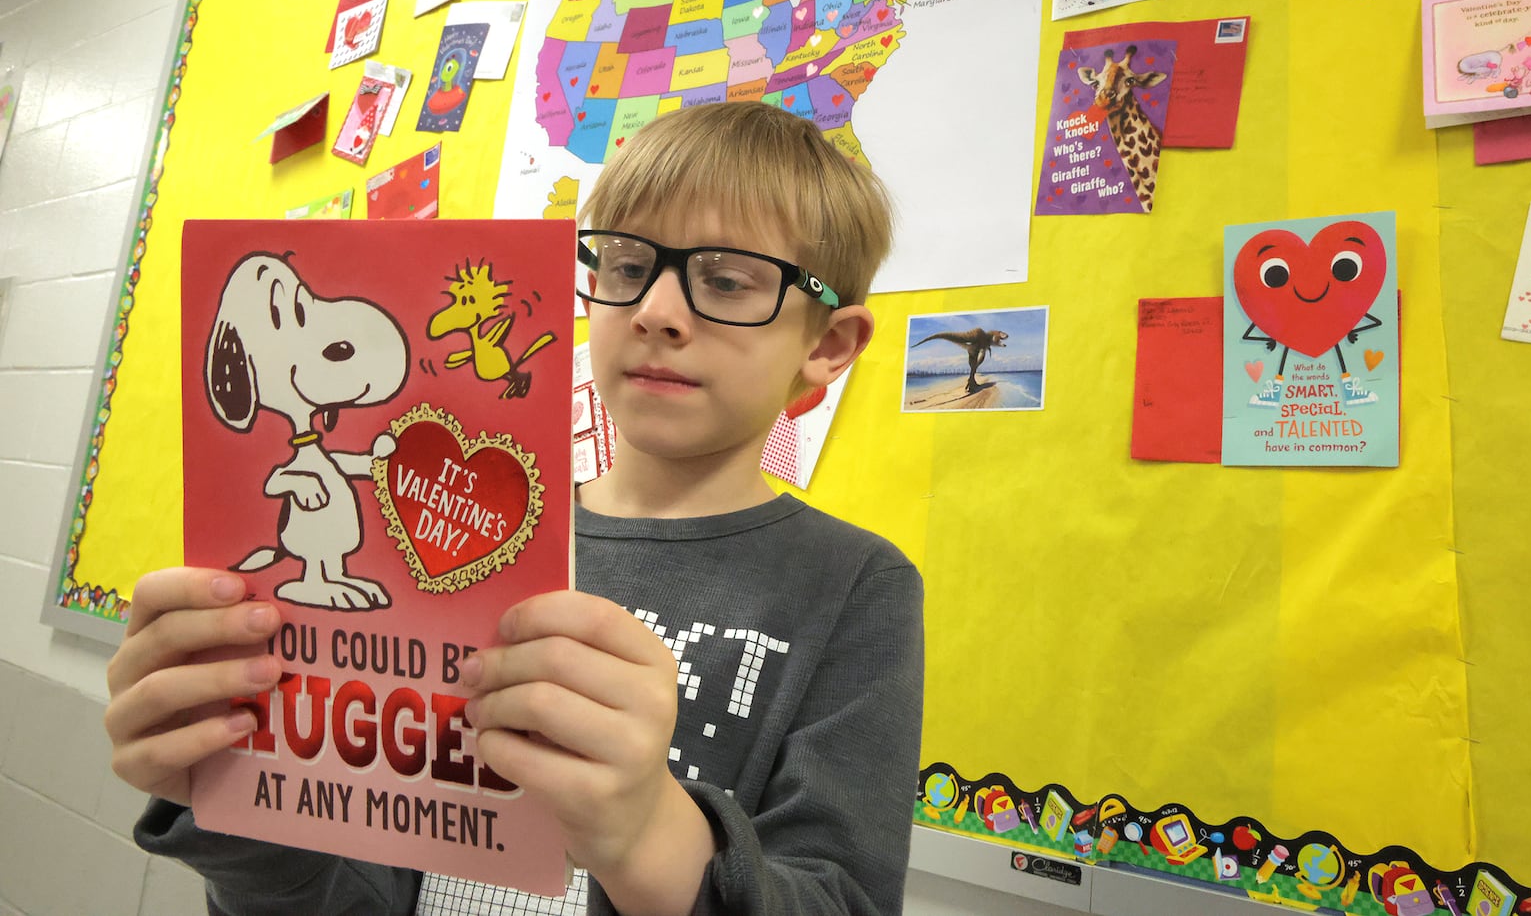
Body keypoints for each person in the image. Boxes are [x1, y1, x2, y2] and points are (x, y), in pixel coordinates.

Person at [104, 101, 924, 916]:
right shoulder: (460, 531)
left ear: (828, 345)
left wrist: (646, 833)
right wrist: (238, 797)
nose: (655, 311)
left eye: (727, 280)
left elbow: (839, 897)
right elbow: (355, 889)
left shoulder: (860, 586)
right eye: (629, 266)